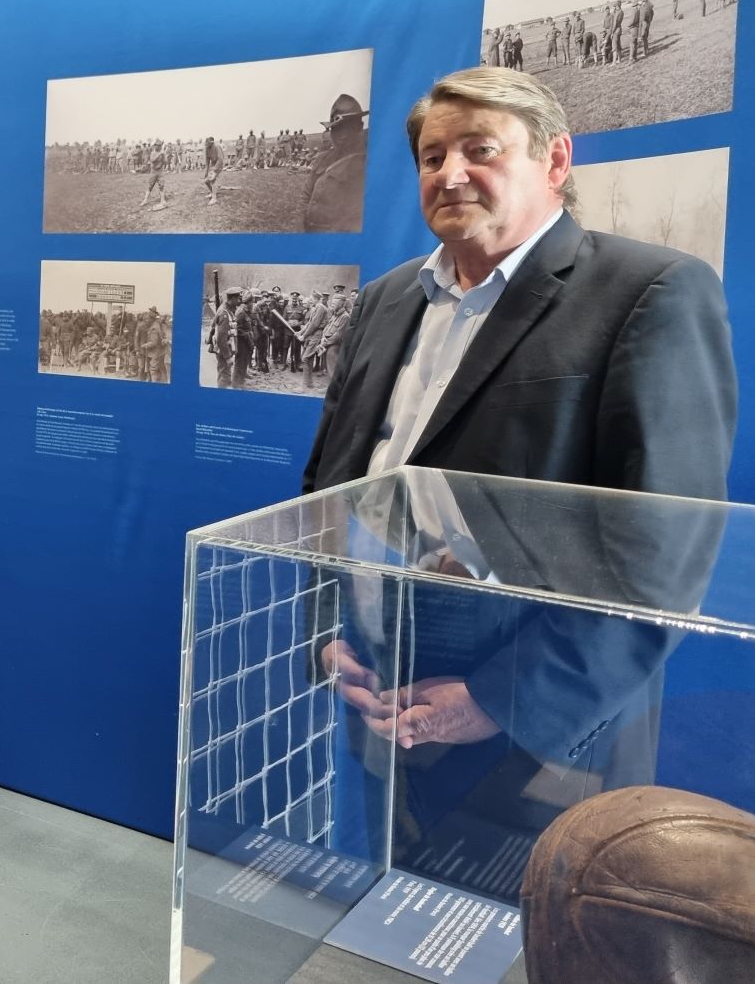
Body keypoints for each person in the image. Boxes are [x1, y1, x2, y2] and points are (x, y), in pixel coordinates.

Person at [301, 66, 734, 869]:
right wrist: (329, 636)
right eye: (433, 157)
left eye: (480, 149)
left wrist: (498, 701)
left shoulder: (650, 294)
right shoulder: (386, 301)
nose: (451, 173)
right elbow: (330, 488)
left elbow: (662, 556)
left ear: (556, 161)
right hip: (378, 704)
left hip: (540, 745)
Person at [303, 93, 367, 232]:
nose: (341, 135)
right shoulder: (322, 159)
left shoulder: (365, 164)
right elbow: (305, 197)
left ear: (359, 127)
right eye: (336, 129)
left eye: (347, 127)